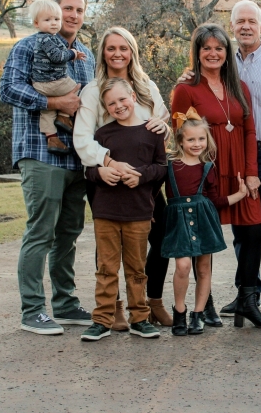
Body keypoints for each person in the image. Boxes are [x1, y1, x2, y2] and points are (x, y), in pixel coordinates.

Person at [177, 0, 261, 325]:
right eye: (240, 21)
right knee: (218, 233)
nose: (246, 26)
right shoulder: (197, 81)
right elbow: (181, 130)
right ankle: (218, 301)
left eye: (252, 21)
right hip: (214, 165)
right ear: (233, 27)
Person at [0, 0, 95, 335]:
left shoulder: (85, 54)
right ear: (50, 12)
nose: (71, 16)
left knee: (69, 234)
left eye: (78, 10)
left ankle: (66, 304)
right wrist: (55, 105)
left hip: (76, 159)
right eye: (65, 9)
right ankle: (32, 311)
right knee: (40, 232)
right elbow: (8, 89)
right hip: (40, 153)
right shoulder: (27, 45)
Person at [171, 23, 261, 329]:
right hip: (208, 174)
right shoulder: (186, 90)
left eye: (219, 48)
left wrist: (253, 173)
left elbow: (249, 130)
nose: (213, 53)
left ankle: (247, 300)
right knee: (205, 238)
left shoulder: (239, 87)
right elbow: (181, 137)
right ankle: (205, 305)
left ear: (227, 53)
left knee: (253, 231)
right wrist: (194, 177)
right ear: (198, 53)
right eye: (207, 48)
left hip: (241, 171)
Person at [74, 26, 172, 330]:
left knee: (162, 237)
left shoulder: (146, 87)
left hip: (146, 181)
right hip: (108, 179)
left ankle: (151, 302)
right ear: (102, 52)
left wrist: (164, 127)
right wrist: (107, 164)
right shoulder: (93, 90)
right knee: (108, 247)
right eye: (111, 48)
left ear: (133, 52)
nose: (117, 54)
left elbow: (162, 120)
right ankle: (113, 307)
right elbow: (82, 137)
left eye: (123, 48)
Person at [80, 78, 165, 341]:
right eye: (111, 103)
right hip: (106, 213)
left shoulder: (152, 132)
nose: (118, 106)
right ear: (105, 108)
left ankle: (140, 317)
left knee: (137, 269)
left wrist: (140, 175)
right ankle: (102, 319)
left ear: (134, 97)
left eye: (122, 99)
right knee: (106, 268)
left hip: (139, 213)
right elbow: (89, 173)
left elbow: (162, 167)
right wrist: (101, 172)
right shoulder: (103, 135)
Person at [162, 110, 249, 336]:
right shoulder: (170, 165)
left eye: (201, 139)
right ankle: (179, 311)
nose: (197, 143)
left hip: (204, 221)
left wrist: (238, 195)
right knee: (182, 266)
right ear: (180, 140)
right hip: (178, 221)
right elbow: (155, 192)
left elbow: (213, 200)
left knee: (203, 268)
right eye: (191, 139)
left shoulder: (208, 167)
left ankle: (198, 314)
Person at [27, 0, 87, 154]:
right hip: (40, 158)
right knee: (77, 89)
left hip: (78, 161)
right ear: (36, 23)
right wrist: (72, 54)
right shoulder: (39, 41)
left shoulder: (88, 54)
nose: (53, 23)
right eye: (68, 8)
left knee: (46, 113)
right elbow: (57, 57)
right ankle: (63, 116)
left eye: (56, 19)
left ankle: (52, 138)